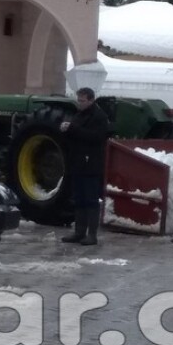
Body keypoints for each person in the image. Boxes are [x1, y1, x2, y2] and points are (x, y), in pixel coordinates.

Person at [60, 87, 110, 246]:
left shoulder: (99, 117)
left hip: (91, 164)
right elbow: (75, 136)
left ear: (91, 100)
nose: (79, 103)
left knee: (90, 199)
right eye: (78, 100)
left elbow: (95, 137)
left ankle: (92, 234)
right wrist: (65, 130)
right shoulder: (79, 114)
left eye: (82, 101)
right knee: (79, 198)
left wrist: (72, 128)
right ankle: (79, 231)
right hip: (77, 162)